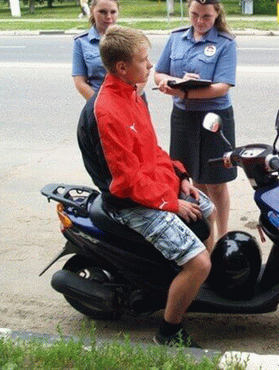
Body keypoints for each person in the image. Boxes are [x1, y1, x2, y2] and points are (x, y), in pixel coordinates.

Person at [76, 24, 213, 347]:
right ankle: (168, 331)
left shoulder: (133, 95)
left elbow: (151, 151)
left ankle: (192, 286)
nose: (151, 66)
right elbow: (125, 182)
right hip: (129, 204)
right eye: (144, 60)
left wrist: (180, 178)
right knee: (199, 262)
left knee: (208, 206)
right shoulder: (107, 111)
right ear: (122, 67)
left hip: (151, 187)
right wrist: (170, 202)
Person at [154, 0, 237, 250]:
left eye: (206, 16)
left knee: (217, 181)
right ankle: (203, 236)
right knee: (190, 179)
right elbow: (158, 72)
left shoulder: (225, 43)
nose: (200, 21)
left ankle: (223, 238)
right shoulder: (176, 38)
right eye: (194, 15)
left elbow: (222, 86)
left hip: (214, 118)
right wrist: (173, 82)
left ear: (217, 15)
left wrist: (186, 93)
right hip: (184, 119)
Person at [72, 0, 120, 100]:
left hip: (129, 104)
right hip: (98, 105)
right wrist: (101, 104)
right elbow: (80, 82)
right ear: (92, 10)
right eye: (102, 12)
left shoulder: (130, 38)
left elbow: (143, 74)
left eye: (113, 12)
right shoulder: (81, 42)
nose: (109, 17)